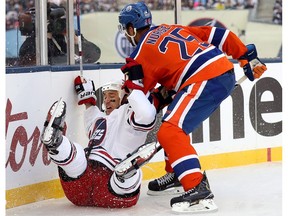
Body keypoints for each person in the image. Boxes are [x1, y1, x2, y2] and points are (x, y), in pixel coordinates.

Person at [118, 1, 267, 213]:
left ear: (132, 28)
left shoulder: (139, 55)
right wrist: (244, 56)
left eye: (126, 29)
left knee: (170, 130)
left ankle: (197, 187)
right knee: (175, 122)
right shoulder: (171, 28)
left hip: (204, 78)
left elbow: (141, 101)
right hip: (221, 70)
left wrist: (129, 93)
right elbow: (218, 35)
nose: (126, 33)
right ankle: (178, 174)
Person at [40, 75, 158, 208]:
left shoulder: (129, 118)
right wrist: (86, 95)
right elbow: (91, 109)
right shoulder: (99, 120)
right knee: (78, 155)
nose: (107, 101)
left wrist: (132, 88)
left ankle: (124, 175)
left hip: (112, 189)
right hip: (80, 188)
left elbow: (147, 114)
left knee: (131, 177)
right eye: (105, 96)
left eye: (112, 96)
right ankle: (56, 144)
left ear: (124, 97)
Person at [17, 2, 101, 66]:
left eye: (62, 20)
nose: (60, 25)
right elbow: (37, 66)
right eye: (54, 21)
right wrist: (46, 37)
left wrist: (76, 42)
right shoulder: (31, 44)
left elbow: (95, 55)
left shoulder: (68, 36)